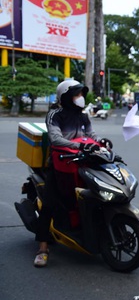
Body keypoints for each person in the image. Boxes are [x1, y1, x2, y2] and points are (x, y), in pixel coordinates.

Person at [34, 79, 111, 267]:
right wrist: (80, 145)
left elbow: (91, 134)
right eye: (77, 94)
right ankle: (43, 249)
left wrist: (101, 141)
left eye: (81, 94)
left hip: (82, 161)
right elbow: (56, 139)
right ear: (66, 97)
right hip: (60, 163)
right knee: (49, 202)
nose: (81, 98)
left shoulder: (82, 115)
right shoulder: (55, 115)